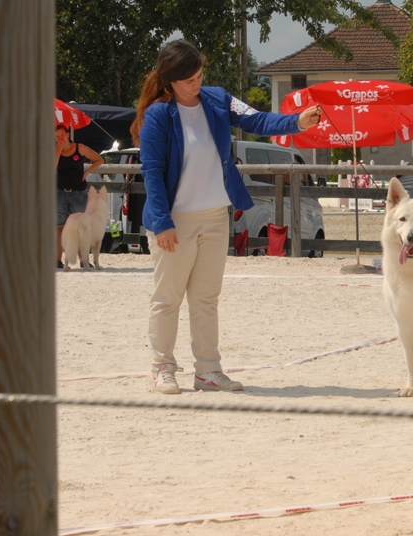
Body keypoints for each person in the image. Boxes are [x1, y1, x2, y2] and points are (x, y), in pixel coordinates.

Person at [131, 39, 322, 395]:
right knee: (167, 299)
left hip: (217, 215)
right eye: (189, 80)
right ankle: (162, 367)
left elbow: (257, 119)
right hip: (174, 220)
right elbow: (152, 172)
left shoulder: (218, 98)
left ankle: (208, 370)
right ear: (170, 81)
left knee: (206, 299)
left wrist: (297, 121)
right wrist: (162, 222)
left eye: (200, 75)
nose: (197, 84)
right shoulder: (158, 115)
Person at [55, 125, 104, 268]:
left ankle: (83, 260)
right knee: (60, 226)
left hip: (78, 192)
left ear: (68, 134)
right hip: (59, 192)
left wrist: (88, 172)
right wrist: (58, 149)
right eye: (57, 136)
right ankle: (58, 260)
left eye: (62, 135)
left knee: (80, 227)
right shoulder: (55, 150)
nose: (60, 138)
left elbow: (99, 159)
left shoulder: (79, 148)